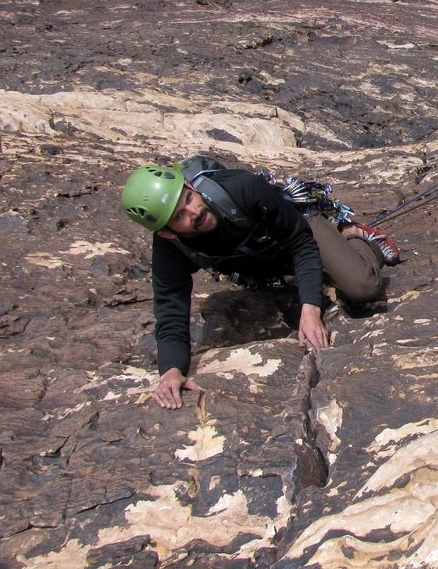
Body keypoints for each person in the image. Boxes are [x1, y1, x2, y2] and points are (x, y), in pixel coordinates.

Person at [121, 160, 400, 410]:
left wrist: (310, 308)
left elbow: (300, 241)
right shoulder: (171, 248)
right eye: (179, 216)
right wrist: (171, 370)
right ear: (167, 232)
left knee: (362, 287)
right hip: (258, 261)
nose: (194, 211)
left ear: (190, 185)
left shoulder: (240, 188)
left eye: (189, 198)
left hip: (296, 230)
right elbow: (170, 307)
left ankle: (354, 237)